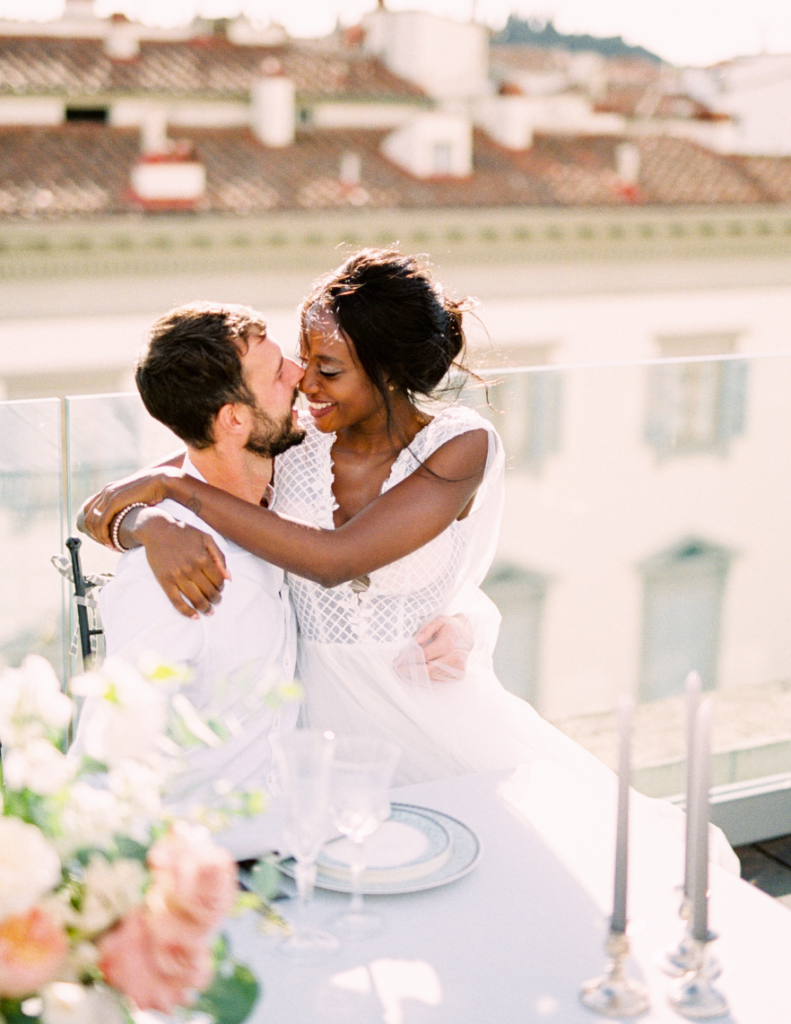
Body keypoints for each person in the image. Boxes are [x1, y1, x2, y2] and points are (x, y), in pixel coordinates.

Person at [75, 251, 735, 876]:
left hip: (420, 708)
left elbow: (335, 560)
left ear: (384, 373)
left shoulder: (442, 445)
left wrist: (171, 497)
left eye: (323, 367)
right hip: (314, 741)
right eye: (298, 364)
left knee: (523, 870)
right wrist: (148, 521)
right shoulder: (289, 444)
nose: (304, 380)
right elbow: (121, 498)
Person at [77, 299, 467, 816]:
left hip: (297, 822)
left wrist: (465, 623)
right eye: (280, 370)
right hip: (208, 854)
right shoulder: (173, 576)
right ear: (235, 419)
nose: (301, 377)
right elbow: (107, 761)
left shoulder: (289, 485)